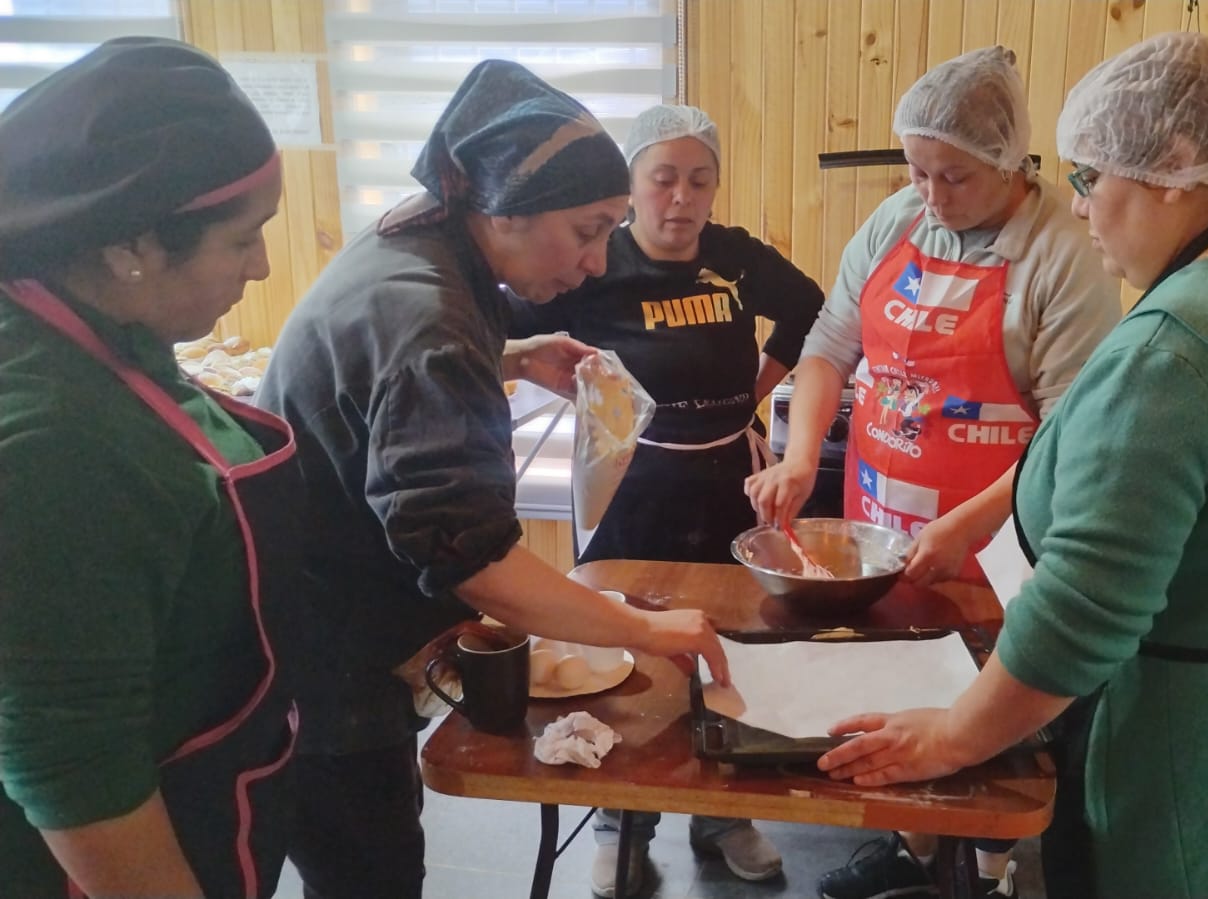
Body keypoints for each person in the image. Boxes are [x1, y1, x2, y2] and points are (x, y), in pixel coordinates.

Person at [815, 32, 1208, 899]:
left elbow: (1080, 617)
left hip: (1189, 739)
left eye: (1090, 178)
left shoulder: (1168, 356)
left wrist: (953, 736)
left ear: (1176, 169)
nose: (1078, 207)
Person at [254, 63, 730, 899]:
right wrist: (643, 630)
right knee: (370, 874)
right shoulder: (428, 318)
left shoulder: (420, 236)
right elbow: (469, 556)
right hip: (323, 656)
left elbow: (374, 388)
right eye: (586, 230)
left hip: (309, 619)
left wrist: (505, 356)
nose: (593, 263)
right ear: (502, 207)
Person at [745, 45, 1120, 899]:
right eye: (917, 171)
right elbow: (828, 347)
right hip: (884, 511)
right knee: (900, 686)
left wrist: (969, 524)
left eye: (952, 177)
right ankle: (912, 845)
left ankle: (983, 871)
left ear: (1008, 162)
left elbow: (1072, 432)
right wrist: (802, 456)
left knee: (987, 704)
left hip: (1000, 532)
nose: (930, 195)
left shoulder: (1061, 255)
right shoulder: (895, 222)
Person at [0, 38, 302, 897]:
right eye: (243, 240)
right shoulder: (54, 445)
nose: (263, 267)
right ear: (131, 244)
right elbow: (75, 772)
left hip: (209, 786)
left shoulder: (94, 324)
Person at [508, 103, 823, 896]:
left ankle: (724, 816)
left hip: (726, 480)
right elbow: (502, 336)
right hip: (631, 483)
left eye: (698, 179)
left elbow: (813, 310)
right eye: (662, 178)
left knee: (731, 641)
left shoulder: (736, 258)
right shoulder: (592, 261)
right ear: (632, 183)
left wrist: (749, 397)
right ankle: (622, 821)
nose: (680, 197)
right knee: (630, 655)